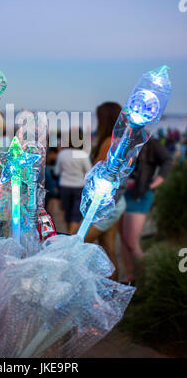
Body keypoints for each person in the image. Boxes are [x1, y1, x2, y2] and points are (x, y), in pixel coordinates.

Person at [118, 137, 172, 284]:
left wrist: (154, 184)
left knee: (132, 241)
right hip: (123, 193)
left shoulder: (151, 142)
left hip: (140, 194)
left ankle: (148, 280)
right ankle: (130, 277)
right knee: (123, 238)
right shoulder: (126, 140)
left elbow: (168, 161)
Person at [83, 102, 125, 281]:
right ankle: (113, 292)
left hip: (107, 205)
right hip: (117, 201)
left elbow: (98, 171)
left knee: (79, 243)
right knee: (109, 248)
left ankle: (85, 288)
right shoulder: (121, 140)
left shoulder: (109, 141)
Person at [54, 129, 91, 235]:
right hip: (79, 186)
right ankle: (71, 236)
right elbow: (88, 172)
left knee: (67, 213)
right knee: (76, 214)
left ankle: (68, 235)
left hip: (64, 186)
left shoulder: (62, 154)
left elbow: (57, 171)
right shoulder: (82, 154)